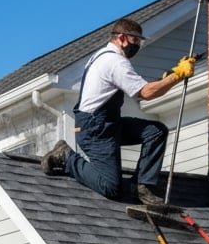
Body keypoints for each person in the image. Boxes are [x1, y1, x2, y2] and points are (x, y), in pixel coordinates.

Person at [41, 17, 195, 205]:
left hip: (107, 124)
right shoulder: (115, 62)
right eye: (135, 40)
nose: (137, 45)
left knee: (155, 131)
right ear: (122, 38)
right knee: (111, 187)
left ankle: (141, 186)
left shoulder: (102, 56)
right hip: (95, 130)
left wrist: (168, 78)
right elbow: (146, 93)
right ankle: (66, 157)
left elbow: (142, 90)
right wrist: (177, 76)